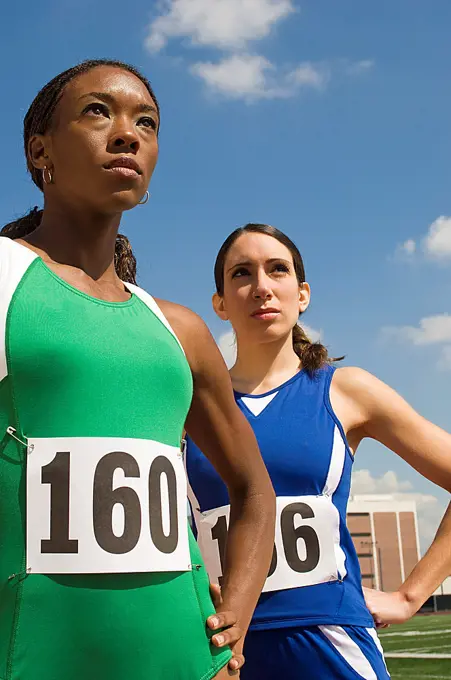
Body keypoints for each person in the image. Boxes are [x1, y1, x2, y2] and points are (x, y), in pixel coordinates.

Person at [0, 62, 276, 680]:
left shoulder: (179, 330)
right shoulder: (5, 281)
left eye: (145, 122)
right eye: (98, 111)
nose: (127, 133)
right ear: (38, 150)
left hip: (185, 662)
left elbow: (254, 491)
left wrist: (234, 618)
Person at [185, 223, 451, 680]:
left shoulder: (346, 391)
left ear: (302, 293)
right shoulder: (187, 403)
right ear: (221, 303)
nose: (262, 288)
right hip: (219, 649)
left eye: (278, 271)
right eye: (242, 274)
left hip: (329, 643)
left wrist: (410, 596)